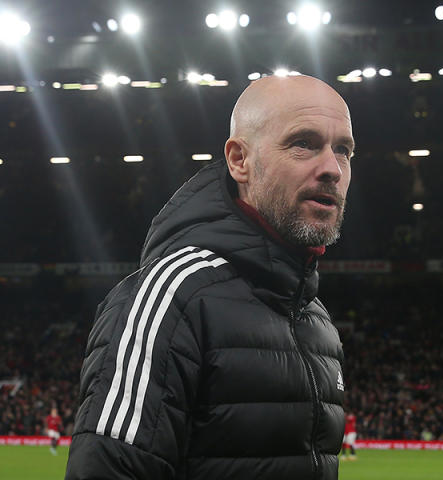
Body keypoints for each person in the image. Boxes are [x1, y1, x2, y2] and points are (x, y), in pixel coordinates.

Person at [65, 75, 355, 479]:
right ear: (239, 160)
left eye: (343, 150)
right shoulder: (174, 293)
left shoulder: (316, 318)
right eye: (303, 143)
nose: (332, 169)